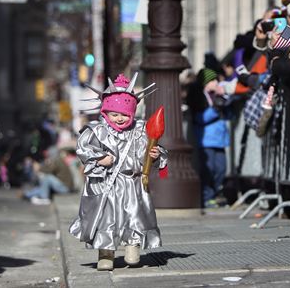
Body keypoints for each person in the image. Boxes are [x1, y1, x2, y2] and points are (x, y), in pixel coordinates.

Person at [69, 73, 167, 271]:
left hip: (133, 184)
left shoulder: (140, 130)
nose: (119, 118)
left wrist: (155, 155)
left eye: (124, 114)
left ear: (132, 113)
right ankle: (105, 253)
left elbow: (147, 152)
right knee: (107, 218)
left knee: (135, 216)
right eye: (114, 114)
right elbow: (83, 148)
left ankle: (133, 248)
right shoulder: (96, 130)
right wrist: (99, 158)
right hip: (107, 183)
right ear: (105, 113)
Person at [189, 68, 232, 208]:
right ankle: (207, 197)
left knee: (221, 169)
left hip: (220, 140)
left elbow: (229, 115)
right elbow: (199, 118)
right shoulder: (200, 97)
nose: (216, 82)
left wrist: (225, 101)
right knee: (209, 169)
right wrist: (214, 109)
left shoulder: (218, 96)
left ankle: (213, 194)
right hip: (206, 140)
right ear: (205, 83)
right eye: (212, 80)